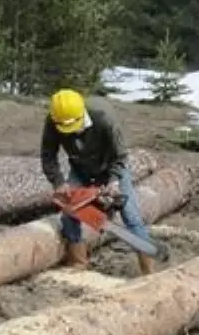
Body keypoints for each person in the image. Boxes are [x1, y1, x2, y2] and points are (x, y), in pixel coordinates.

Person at [40, 88, 161, 274]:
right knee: (69, 212)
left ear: (81, 114)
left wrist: (113, 182)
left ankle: (148, 269)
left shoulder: (103, 118)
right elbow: (48, 155)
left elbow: (120, 156)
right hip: (80, 169)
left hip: (111, 167)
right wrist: (58, 182)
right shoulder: (55, 120)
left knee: (131, 216)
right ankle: (78, 263)